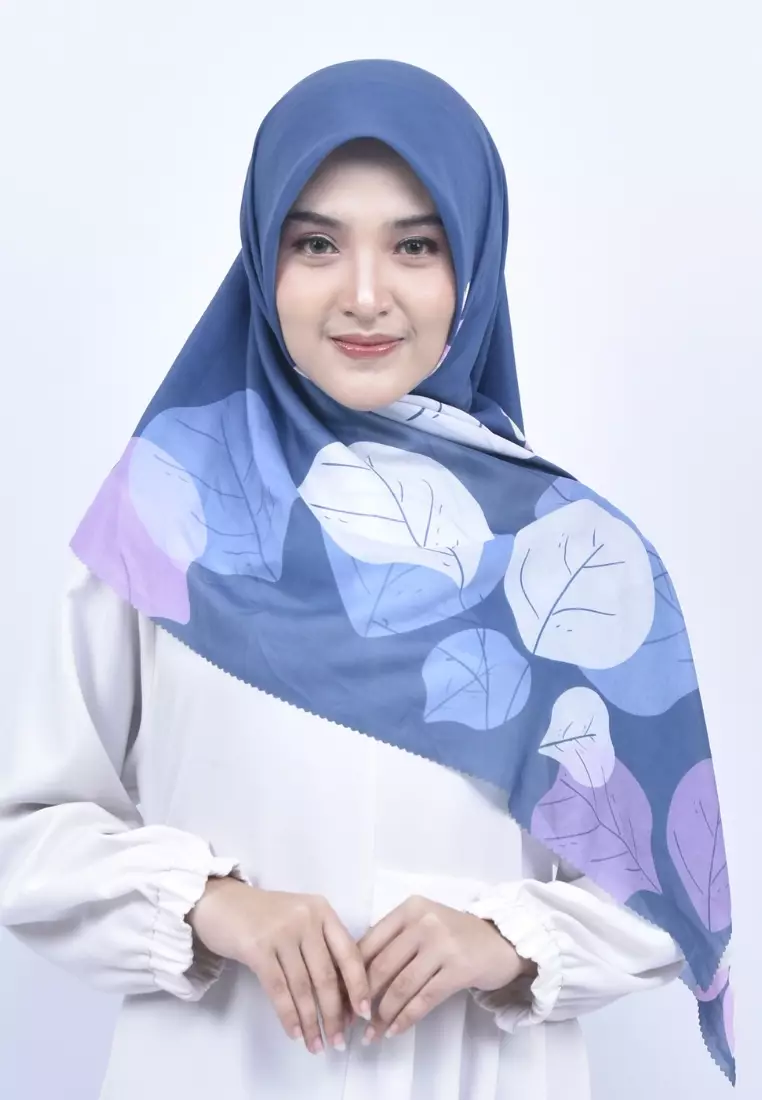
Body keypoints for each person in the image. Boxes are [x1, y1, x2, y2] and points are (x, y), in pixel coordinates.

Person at [0, 60, 734, 1100]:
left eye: (415, 246)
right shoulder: (168, 519)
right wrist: (211, 904)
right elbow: (25, 828)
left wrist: (507, 939)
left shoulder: (575, 560)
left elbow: (673, 889)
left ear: (473, 263)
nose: (363, 294)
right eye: (316, 243)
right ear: (263, 257)